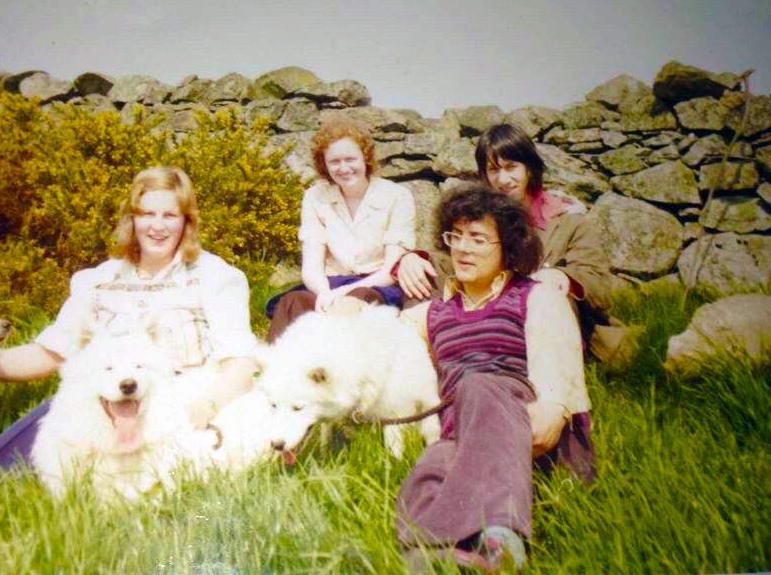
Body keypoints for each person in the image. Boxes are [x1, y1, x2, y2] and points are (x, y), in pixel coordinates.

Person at [0, 166, 259, 493]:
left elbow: (240, 365)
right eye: (147, 214)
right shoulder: (99, 280)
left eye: (170, 215)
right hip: (111, 396)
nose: (158, 226)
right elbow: (50, 352)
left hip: (181, 397)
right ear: (132, 219)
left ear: (186, 221)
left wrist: (205, 406)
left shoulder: (215, 276)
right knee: (68, 402)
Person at [396, 185, 594, 573]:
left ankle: (503, 539)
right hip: (462, 430)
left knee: (478, 383)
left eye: (479, 239)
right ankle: (431, 554)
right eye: (456, 236)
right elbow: (386, 345)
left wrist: (554, 406)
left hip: (528, 421)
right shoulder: (431, 314)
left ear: (508, 247)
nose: (463, 249)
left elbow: (557, 360)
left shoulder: (533, 296)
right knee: (432, 463)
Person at [396, 123, 636, 365]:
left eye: (511, 168)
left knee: (550, 294)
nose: (503, 179)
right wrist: (414, 259)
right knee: (422, 275)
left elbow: (600, 285)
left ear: (529, 168)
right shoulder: (479, 217)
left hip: (542, 327)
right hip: (485, 318)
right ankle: (421, 365)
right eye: (493, 170)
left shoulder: (569, 222)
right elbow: (450, 256)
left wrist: (564, 278)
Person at [265, 117, 416, 342]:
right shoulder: (315, 197)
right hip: (329, 283)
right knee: (292, 302)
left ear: (365, 158)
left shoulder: (397, 196)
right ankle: (271, 370)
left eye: (350, 159)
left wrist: (342, 294)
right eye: (334, 161)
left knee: (355, 300)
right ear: (323, 164)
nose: (343, 168)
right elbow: (311, 266)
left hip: (375, 285)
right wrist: (325, 293)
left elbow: (390, 270)